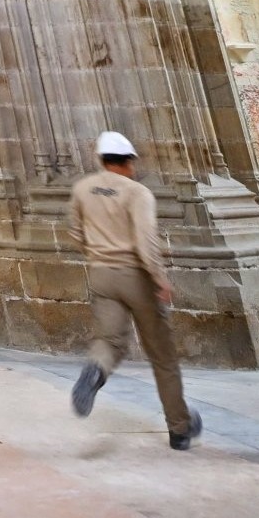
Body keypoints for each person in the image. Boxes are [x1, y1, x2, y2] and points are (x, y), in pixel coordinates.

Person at [67, 130, 199, 450]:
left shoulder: (82, 189)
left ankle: (96, 371)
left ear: (101, 160)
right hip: (135, 276)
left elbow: (74, 232)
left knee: (110, 342)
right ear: (127, 161)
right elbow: (146, 241)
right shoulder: (137, 193)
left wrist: (97, 254)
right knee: (162, 354)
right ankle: (180, 428)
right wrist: (159, 279)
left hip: (100, 274)